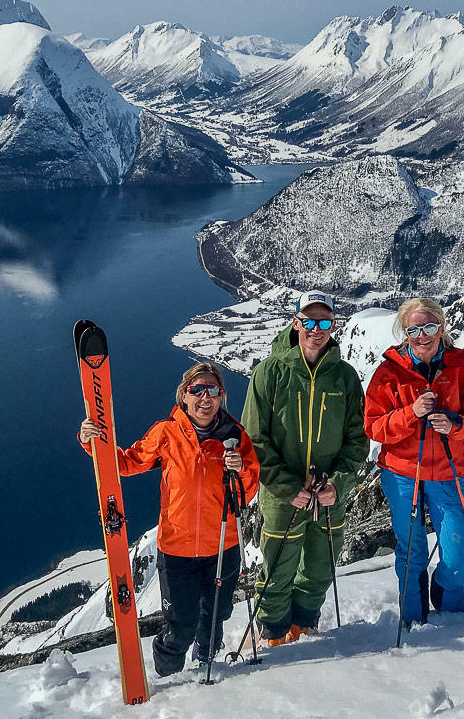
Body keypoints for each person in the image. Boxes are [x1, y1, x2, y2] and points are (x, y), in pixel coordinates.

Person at [79, 362, 259, 676]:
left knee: (216, 614)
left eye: (213, 390)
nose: (206, 397)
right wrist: (92, 442)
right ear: (184, 396)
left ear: (221, 396)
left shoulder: (235, 436)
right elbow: (127, 463)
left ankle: (207, 663)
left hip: (223, 543)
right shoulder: (167, 433)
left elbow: (249, 488)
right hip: (178, 548)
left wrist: (240, 468)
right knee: (181, 623)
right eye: (197, 390)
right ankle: (168, 676)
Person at [241, 289, 369, 644]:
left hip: (327, 495)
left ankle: (305, 623)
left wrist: (337, 485)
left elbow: (358, 441)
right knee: (277, 567)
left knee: (320, 565)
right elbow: (254, 439)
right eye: (309, 321)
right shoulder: (270, 372)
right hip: (284, 495)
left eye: (324, 321)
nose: (317, 329)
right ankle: (275, 632)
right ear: (296, 323)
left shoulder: (344, 377)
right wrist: (287, 487)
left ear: (333, 325)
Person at [365, 298, 464, 626]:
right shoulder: (389, 372)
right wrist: (411, 413)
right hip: (402, 473)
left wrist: (455, 426)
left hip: (447, 471)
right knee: (412, 551)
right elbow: (374, 426)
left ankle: (447, 597)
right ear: (405, 333)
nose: (422, 336)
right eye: (414, 329)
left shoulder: (462, 367)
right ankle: (412, 618)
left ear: (442, 327)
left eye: (429, 327)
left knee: (460, 552)